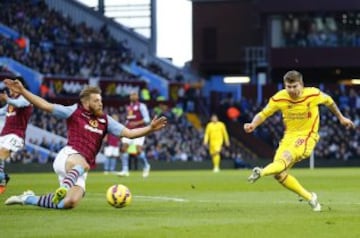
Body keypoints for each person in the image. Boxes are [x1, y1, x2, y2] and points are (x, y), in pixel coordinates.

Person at [4, 79, 167, 209]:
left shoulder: (106, 120)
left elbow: (130, 134)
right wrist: (23, 91)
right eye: (96, 101)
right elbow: (45, 105)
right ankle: (65, 187)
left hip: (79, 169)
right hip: (68, 157)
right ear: (86, 103)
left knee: (69, 203)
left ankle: (29, 198)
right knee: (84, 164)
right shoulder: (74, 111)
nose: (100, 104)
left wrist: (150, 128)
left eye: (101, 100)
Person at [244, 70, 355, 212]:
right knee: (279, 174)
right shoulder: (280, 98)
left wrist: (341, 118)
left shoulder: (313, 94)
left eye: (294, 86)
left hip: (307, 136)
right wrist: (253, 124)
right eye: (288, 87)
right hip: (288, 137)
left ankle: (261, 171)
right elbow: (264, 113)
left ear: (301, 85)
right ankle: (310, 197)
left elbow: (330, 102)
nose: (291, 90)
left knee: (286, 157)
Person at [0, 77, 33, 194]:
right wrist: (7, 100)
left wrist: (7, 99)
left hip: (16, 135)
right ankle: (3, 176)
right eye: (10, 88)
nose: (10, 90)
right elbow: (1, 111)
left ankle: (1, 181)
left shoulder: (26, 99)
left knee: (1, 154)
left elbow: (17, 104)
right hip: (3, 135)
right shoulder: (10, 103)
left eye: (13, 87)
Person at [117, 91, 152, 178]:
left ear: (137, 96)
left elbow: (147, 119)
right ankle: (125, 170)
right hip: (129, 130)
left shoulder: (142, 106)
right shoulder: (129, 107)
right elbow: (128, 119)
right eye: (131, 95)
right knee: (124, 148)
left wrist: (136, 123)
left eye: (134, 94)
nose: (132, 96)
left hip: (139, 130)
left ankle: (146, 166)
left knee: (138, 150)